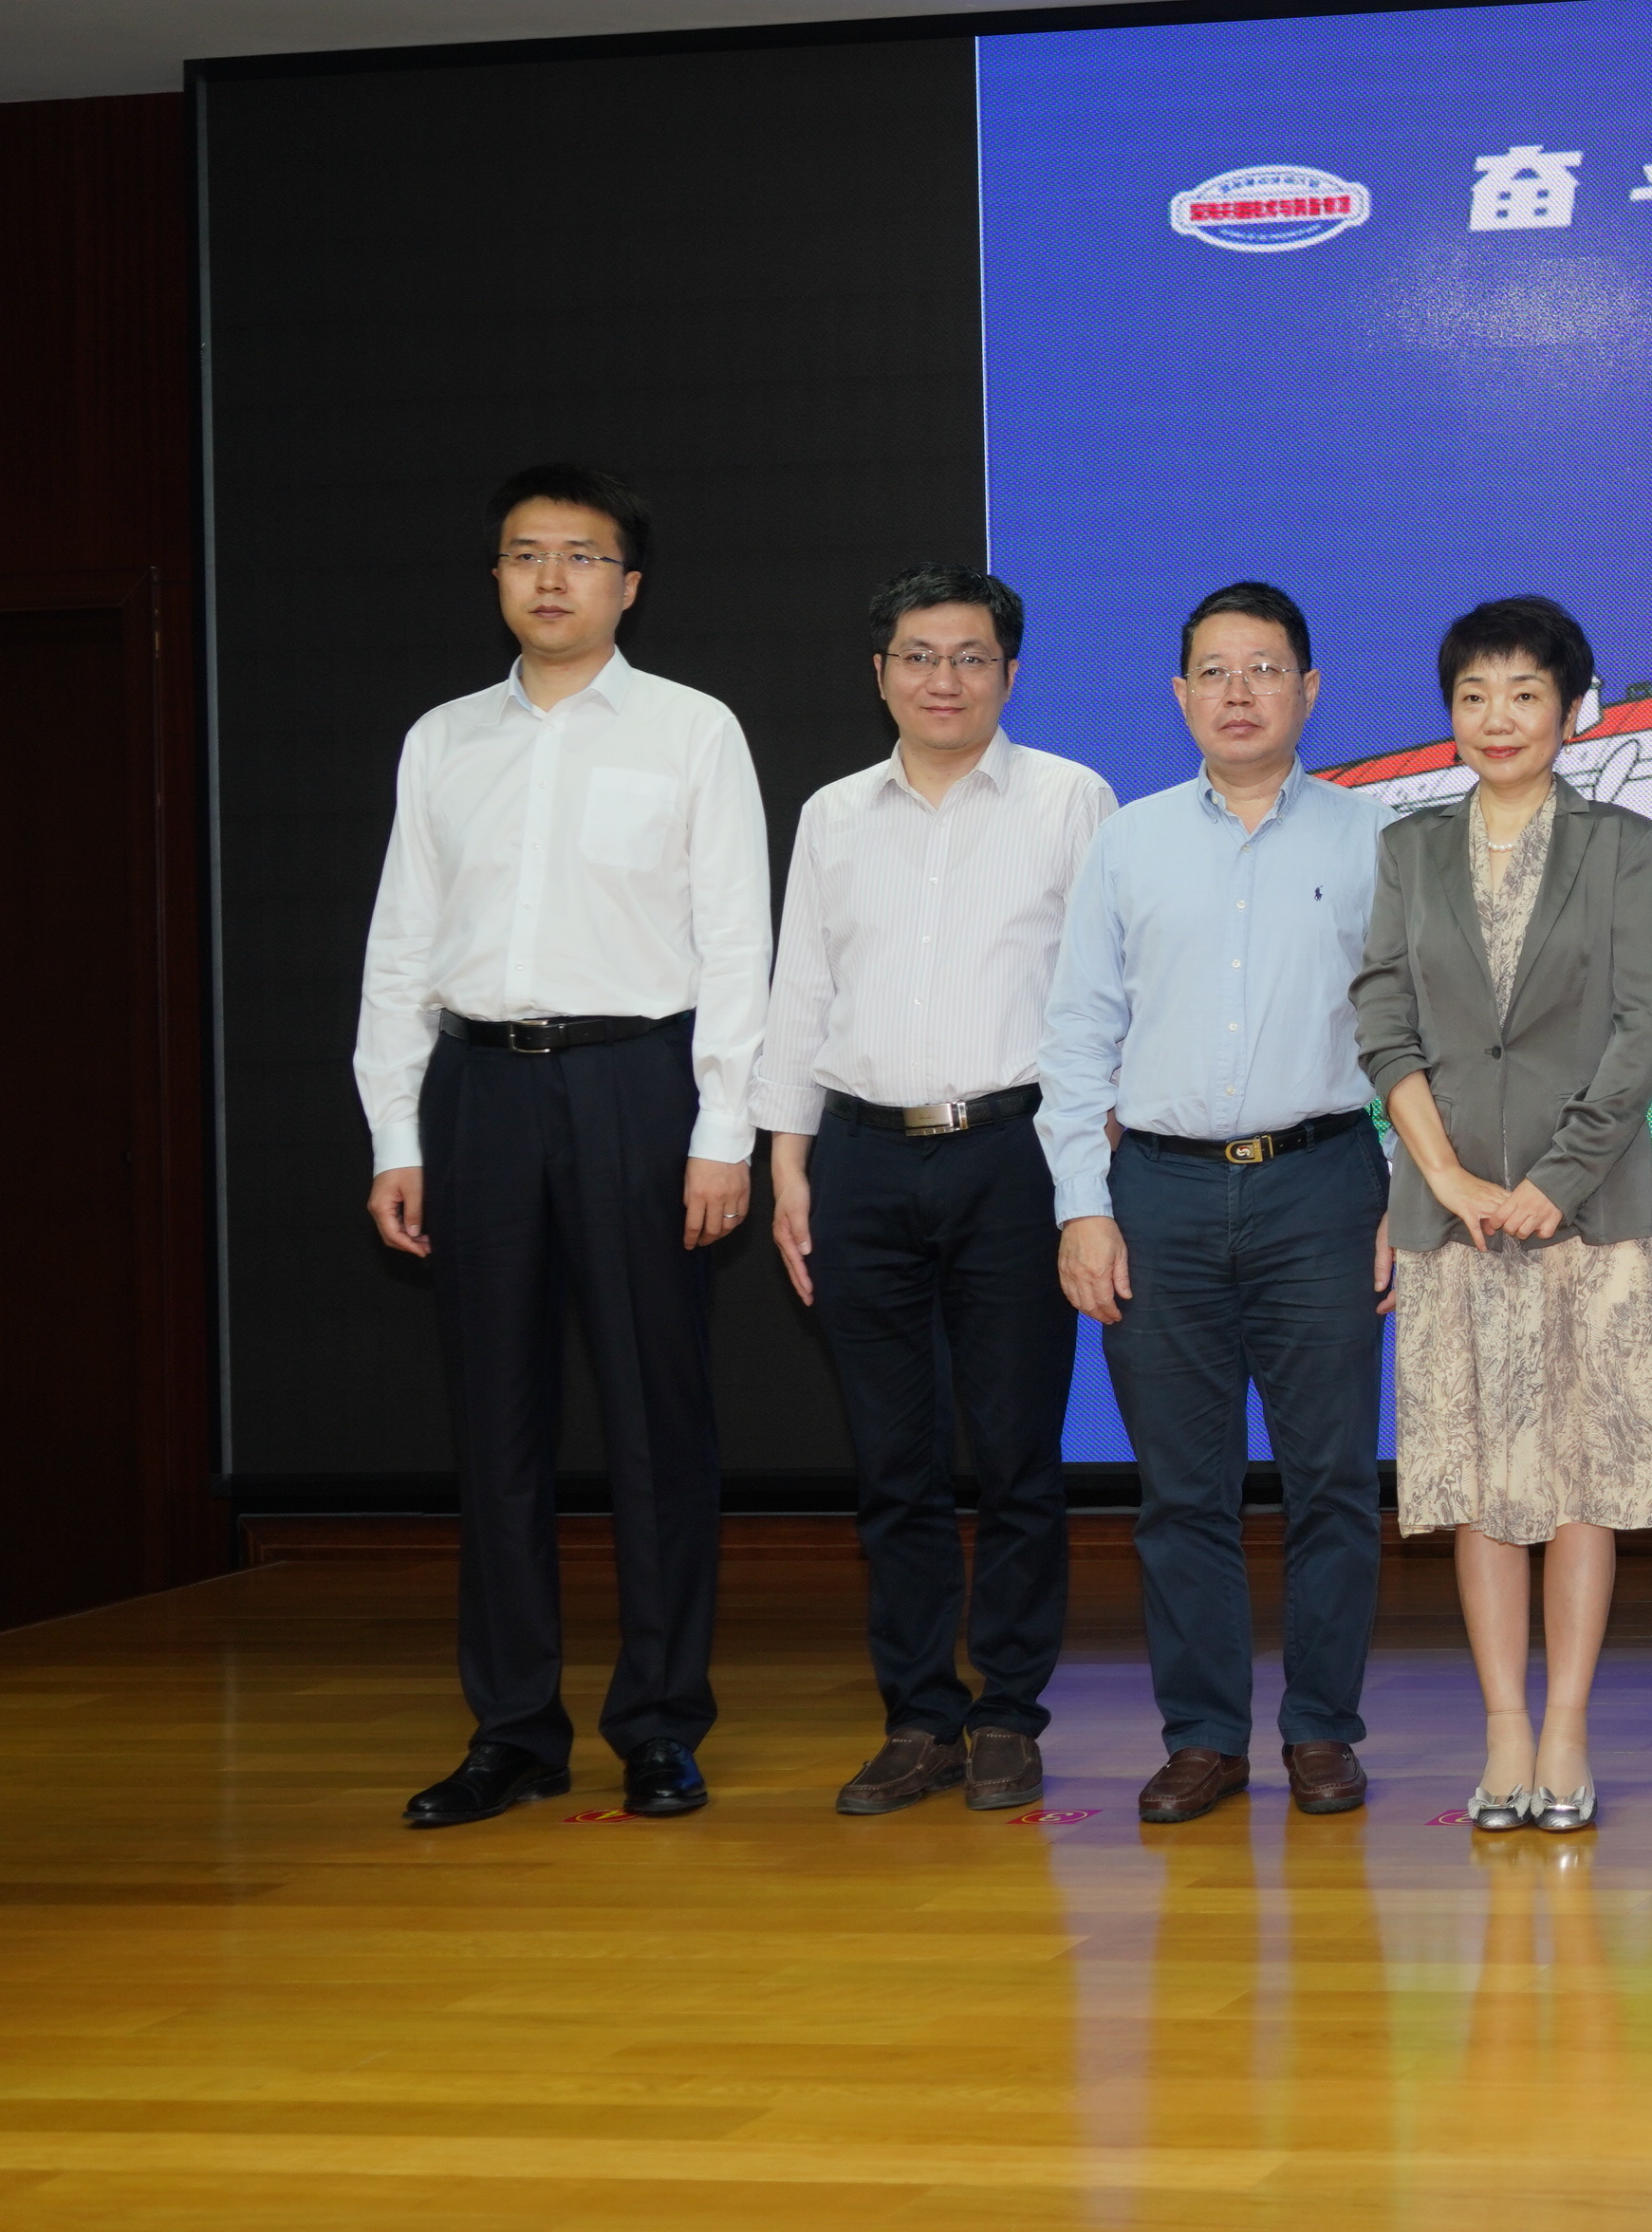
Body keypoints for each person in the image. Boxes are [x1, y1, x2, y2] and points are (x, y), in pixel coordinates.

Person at [361, 462, 769, 1830]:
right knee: (496, 1425)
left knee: (658, 1421)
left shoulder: (693, 730)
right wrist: (395, 1130)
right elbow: (401, 948)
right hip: (477, 1090)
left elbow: (738, 943)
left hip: (636, 1085)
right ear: (495, 578)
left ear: (628, 585)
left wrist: (722, 1132)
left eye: (582, 556)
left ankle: (659, 1723)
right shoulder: (442, 741)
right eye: (525, 553)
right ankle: (512, 1729)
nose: (551, 577)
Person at [754, 566, 1116, 1818]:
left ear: (1011, 673)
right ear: (881, 673)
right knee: (894, 1463)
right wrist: (787, 1156)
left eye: (970, 657)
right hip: (858, 1159)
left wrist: (1091, 1176)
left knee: (1016, 1455)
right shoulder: (832, 816)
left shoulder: (1071, 800)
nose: (943, 679)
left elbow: (1103, 997)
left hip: (1013, 1154)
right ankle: (918, 1716)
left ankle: (1008, 1713)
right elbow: (800, 989)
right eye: (919, 656)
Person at [1039, 581, 1394, 1829]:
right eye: (1215, 671)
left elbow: (1415, 1036)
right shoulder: (1128, 842)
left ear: (1310, 689)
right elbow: (1077, 1035)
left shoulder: (1375, 838)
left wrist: (1402, 1195)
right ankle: (1201, 1739)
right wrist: (1082, 1205)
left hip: (1324, 1184)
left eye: (1265, 669)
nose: (1240, 693)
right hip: (1160, 1193)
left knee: (1331, 1481)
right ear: (1180, 695)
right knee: (1181, 1493)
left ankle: (1322, 1730)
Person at [1355, 596, 1652, 1833]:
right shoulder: (1410, 848)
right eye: (1474, 694)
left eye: (1526, 693)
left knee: (1584, 1477)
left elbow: (1640, 1030)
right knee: (1477, 1481)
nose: (1498, 717)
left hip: (1584, 1218)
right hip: (1451, 1219)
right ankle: (1502, 1729)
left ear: (1572, 710)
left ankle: (1567, 1728)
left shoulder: (1621, 841)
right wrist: (1444, 1177)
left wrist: (1555, 1180)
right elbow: (1384, 1019)